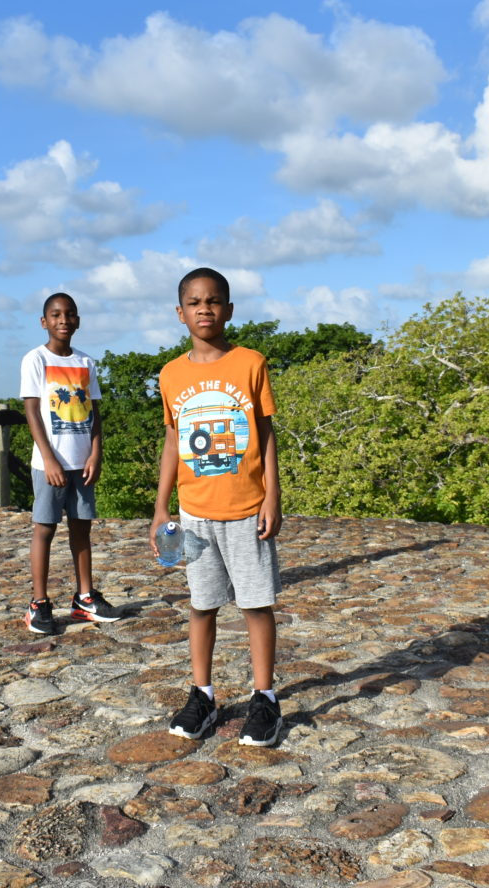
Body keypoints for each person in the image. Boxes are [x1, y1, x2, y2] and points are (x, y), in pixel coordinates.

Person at [151, 267, 284, 747]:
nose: (204, 309)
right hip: (195, 513)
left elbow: (266, 434)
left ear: (228, 309)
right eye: (194, 301)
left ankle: (265, 698)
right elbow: (172, 441)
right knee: (202, 605)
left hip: (247, 507)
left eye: (213, 301)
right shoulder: (171, 374)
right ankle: (203, 693)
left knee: (255, 604)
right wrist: (161, 507)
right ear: (180, 312)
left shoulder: (250, 363)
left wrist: (273, 494)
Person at [19, 291, 120, 636]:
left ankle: (84, 597)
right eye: (56, 315)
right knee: (44, 528)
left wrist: (96, 453)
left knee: (81, 528)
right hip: (51, 463)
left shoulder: (86, 363)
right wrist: (48, 458)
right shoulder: (35, 360)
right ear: (44, 321)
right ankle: (39, 603)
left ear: (77, 319)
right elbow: (32, 411)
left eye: (70, 314)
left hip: (81, 462)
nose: (64, 320)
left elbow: (95, 414)